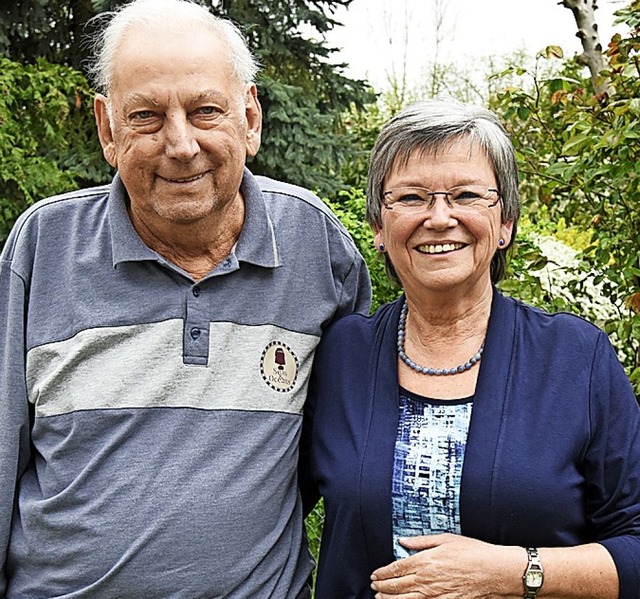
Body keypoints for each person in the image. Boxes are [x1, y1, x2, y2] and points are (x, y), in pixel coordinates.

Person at [0, 0, 371, 596]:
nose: (180, 144)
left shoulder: (315, 245)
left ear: (249, 118)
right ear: (107, 130)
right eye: (146, 116)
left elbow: (346, 445)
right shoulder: (44, 247)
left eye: (206, 111)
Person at [299, 99, 640, 599]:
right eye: (411, 198)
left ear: (504, 223)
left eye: (464, 195)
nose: (439, 218)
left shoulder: (574, 357)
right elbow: (271, 505)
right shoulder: (341, 355)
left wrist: (513, 572)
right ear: (378, 226)